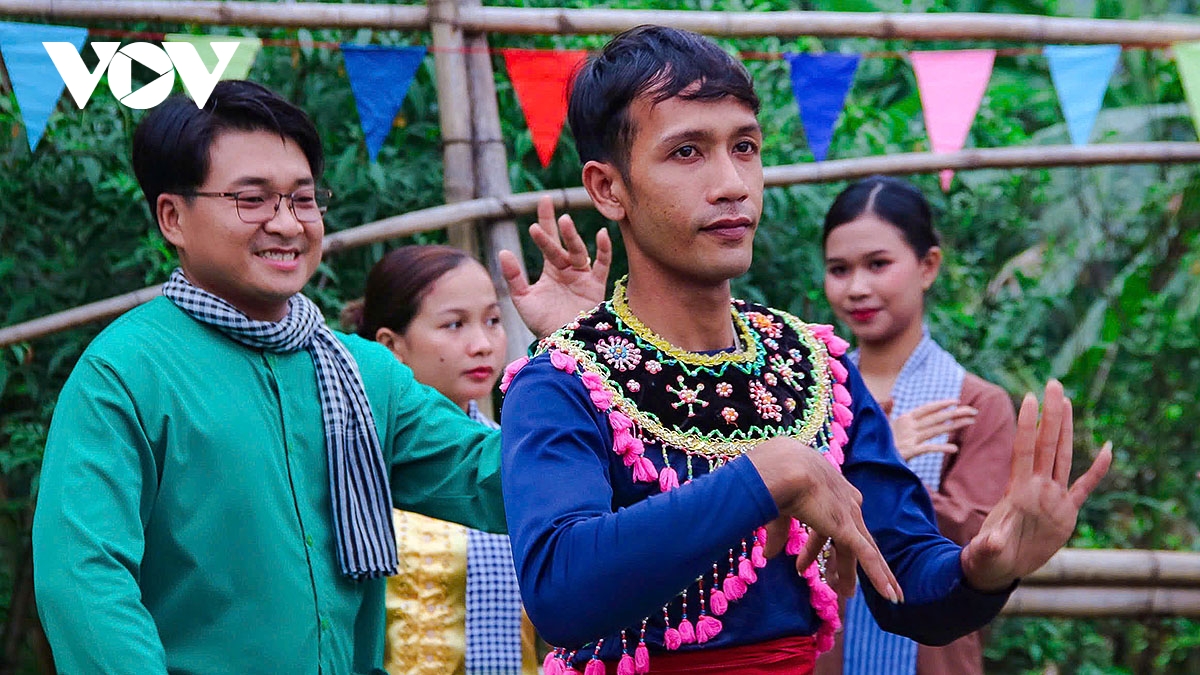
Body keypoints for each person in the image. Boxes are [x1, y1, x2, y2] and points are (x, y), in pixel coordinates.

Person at [498, 25, 1111, 674]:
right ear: (607, 188)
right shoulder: (563, 382)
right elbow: (560, 590)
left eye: (745, 147)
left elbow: (907, 584)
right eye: (687, 152)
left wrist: (984, 567)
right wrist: (769, 474)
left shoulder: (816, 370)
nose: (732, 182)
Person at [31, 80, 605, 674]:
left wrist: (578, 354)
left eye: (303, 199)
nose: (286, 224)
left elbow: (505, 482)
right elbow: (84, 582)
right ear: (173, 217)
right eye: (251, 200)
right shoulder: (124, 373)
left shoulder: (363, 374)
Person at [814, 176, 1017, 675]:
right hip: (820, 651)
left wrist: (864, 473)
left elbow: (976, 540)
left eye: (878, 264)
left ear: (928, 267)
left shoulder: (978, 404)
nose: (857, 287)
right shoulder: (813, 389)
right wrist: (885, 455)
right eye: (839, 269)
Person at [342, 244, 536, 675]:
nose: (483, 344)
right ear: (391, 346)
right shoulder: (359, 465)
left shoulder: (517, 458)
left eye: (493, 321)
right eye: (454, 325)